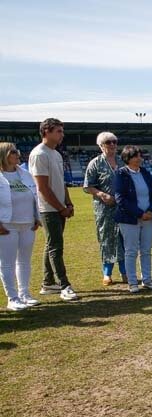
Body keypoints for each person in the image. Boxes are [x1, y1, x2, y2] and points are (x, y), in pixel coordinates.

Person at [28, 118, 78, 301]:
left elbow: (61, 182)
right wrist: (60, 207)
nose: (62, 135)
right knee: (56, 246)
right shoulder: (39, 154)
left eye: (62, 131)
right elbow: (42, 188)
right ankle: (64, 285)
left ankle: (48, 282)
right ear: (46, 131)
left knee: (52, 245)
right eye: (58, 131)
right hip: (48, 209)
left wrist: (68, 203)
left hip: (59, 207)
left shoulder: (55, 153)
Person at [114, 146, 152, 293]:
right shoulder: (120, 174)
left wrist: (151, 211)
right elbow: (120, 198)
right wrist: (140, 213)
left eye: (140, 155)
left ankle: (147, 280)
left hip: (149, 218)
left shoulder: (145, 172)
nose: (139, 158)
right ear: (127, 158)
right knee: (131, 251)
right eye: (136, 156)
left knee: (146, 250)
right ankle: (133, 282)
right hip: (129, 219)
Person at [0, 143, 41, 310]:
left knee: (24, 261)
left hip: (27, 223)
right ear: (4, 155)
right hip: (7, 225)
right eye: (14, 152)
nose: (18, 154)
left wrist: (36, 216)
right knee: (7, 263)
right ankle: (13, 298)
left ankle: (25, 294)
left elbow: (34, 196)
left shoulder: (25, 174)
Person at [83, 131, 126, 286]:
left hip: (123, 207)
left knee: (124, 238)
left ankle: (125, 271)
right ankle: (107, 273)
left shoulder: (123, 161)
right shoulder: (95, 163)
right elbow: (88, 186)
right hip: (104, 208)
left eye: (114, 141)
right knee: (107, 239)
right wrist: (101, 194)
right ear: (101, 145)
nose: (112, 145)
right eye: (108, 142)